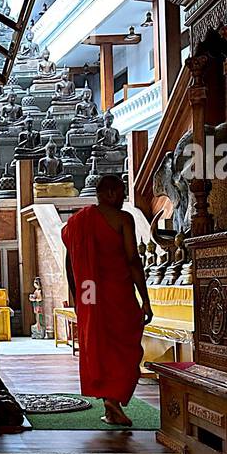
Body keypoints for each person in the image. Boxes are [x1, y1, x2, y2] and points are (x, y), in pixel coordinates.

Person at [61, 175, 153, 426]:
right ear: (110, 193)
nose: (123, 198)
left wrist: (77, 296)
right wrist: (145, 299)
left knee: (98, 345)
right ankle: (113, 400)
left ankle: (109, 402)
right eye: (122, 192)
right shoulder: (123, 219)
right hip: (118, 294)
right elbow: (133, 260)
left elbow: (69, 264)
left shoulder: (77, 223)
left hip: (89, 294)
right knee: (127, 347)